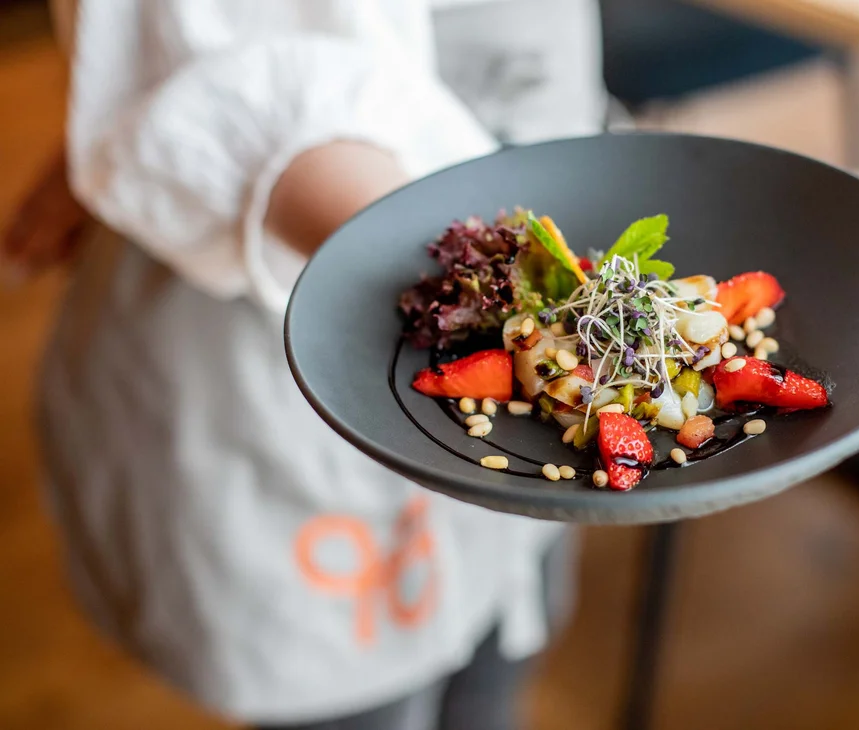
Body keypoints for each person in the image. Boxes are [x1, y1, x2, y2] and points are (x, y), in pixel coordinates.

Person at [3, 1, 606, 728]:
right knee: (366, 705)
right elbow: (279, 111)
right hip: (301, 346)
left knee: (489, 680)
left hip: (529, 317)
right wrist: (546, 316)